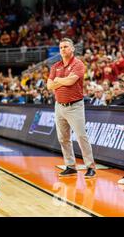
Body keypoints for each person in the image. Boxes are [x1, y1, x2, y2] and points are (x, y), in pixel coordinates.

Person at [47, 38, 96, 178]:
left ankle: (90, 167)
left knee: (81, 136)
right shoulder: (55, 66)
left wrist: (57, 81)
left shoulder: (78, 64)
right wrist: (60, 82)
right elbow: (49, 86)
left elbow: (71, 81)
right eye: (61, 47)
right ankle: (70, 166)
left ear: (72, 48)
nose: (63, 49)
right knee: (63, 138)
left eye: (66, 47)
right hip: (59, 106)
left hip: (75, 106)